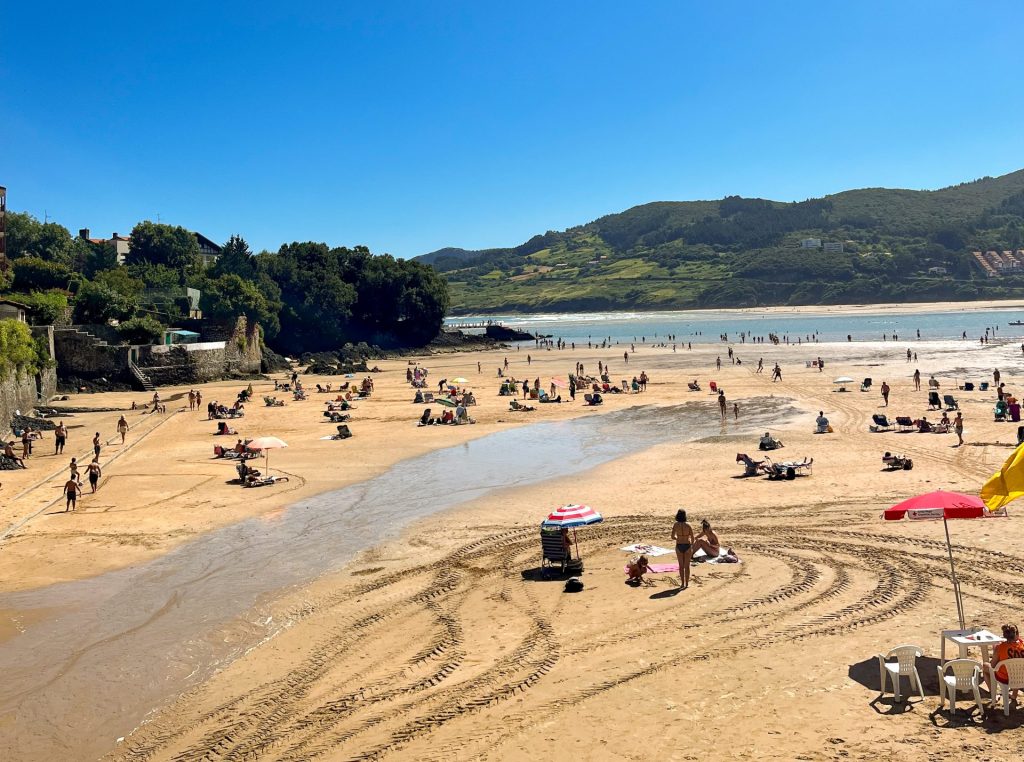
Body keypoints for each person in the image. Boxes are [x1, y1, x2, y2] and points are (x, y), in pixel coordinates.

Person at [986, 623, 1024, 701]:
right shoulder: (1022, 645)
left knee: (985, 666)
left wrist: (995, 652)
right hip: (1022, 677)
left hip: (1006, 678)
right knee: (1017, 668)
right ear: (1017, 634)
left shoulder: (1000, 647)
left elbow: (993, 665)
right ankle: (1014, 695)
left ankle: (994, 694)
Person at [671, 510, 694, 590]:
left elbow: (672, 536)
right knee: (687, 566)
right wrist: (691, 545)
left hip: (679, 545)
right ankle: (687, 584)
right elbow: (692, 537)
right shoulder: (688, 525)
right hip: (687, 545)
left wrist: (678, 538)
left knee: (681, 566)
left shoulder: (675, 525)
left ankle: (682, 583)